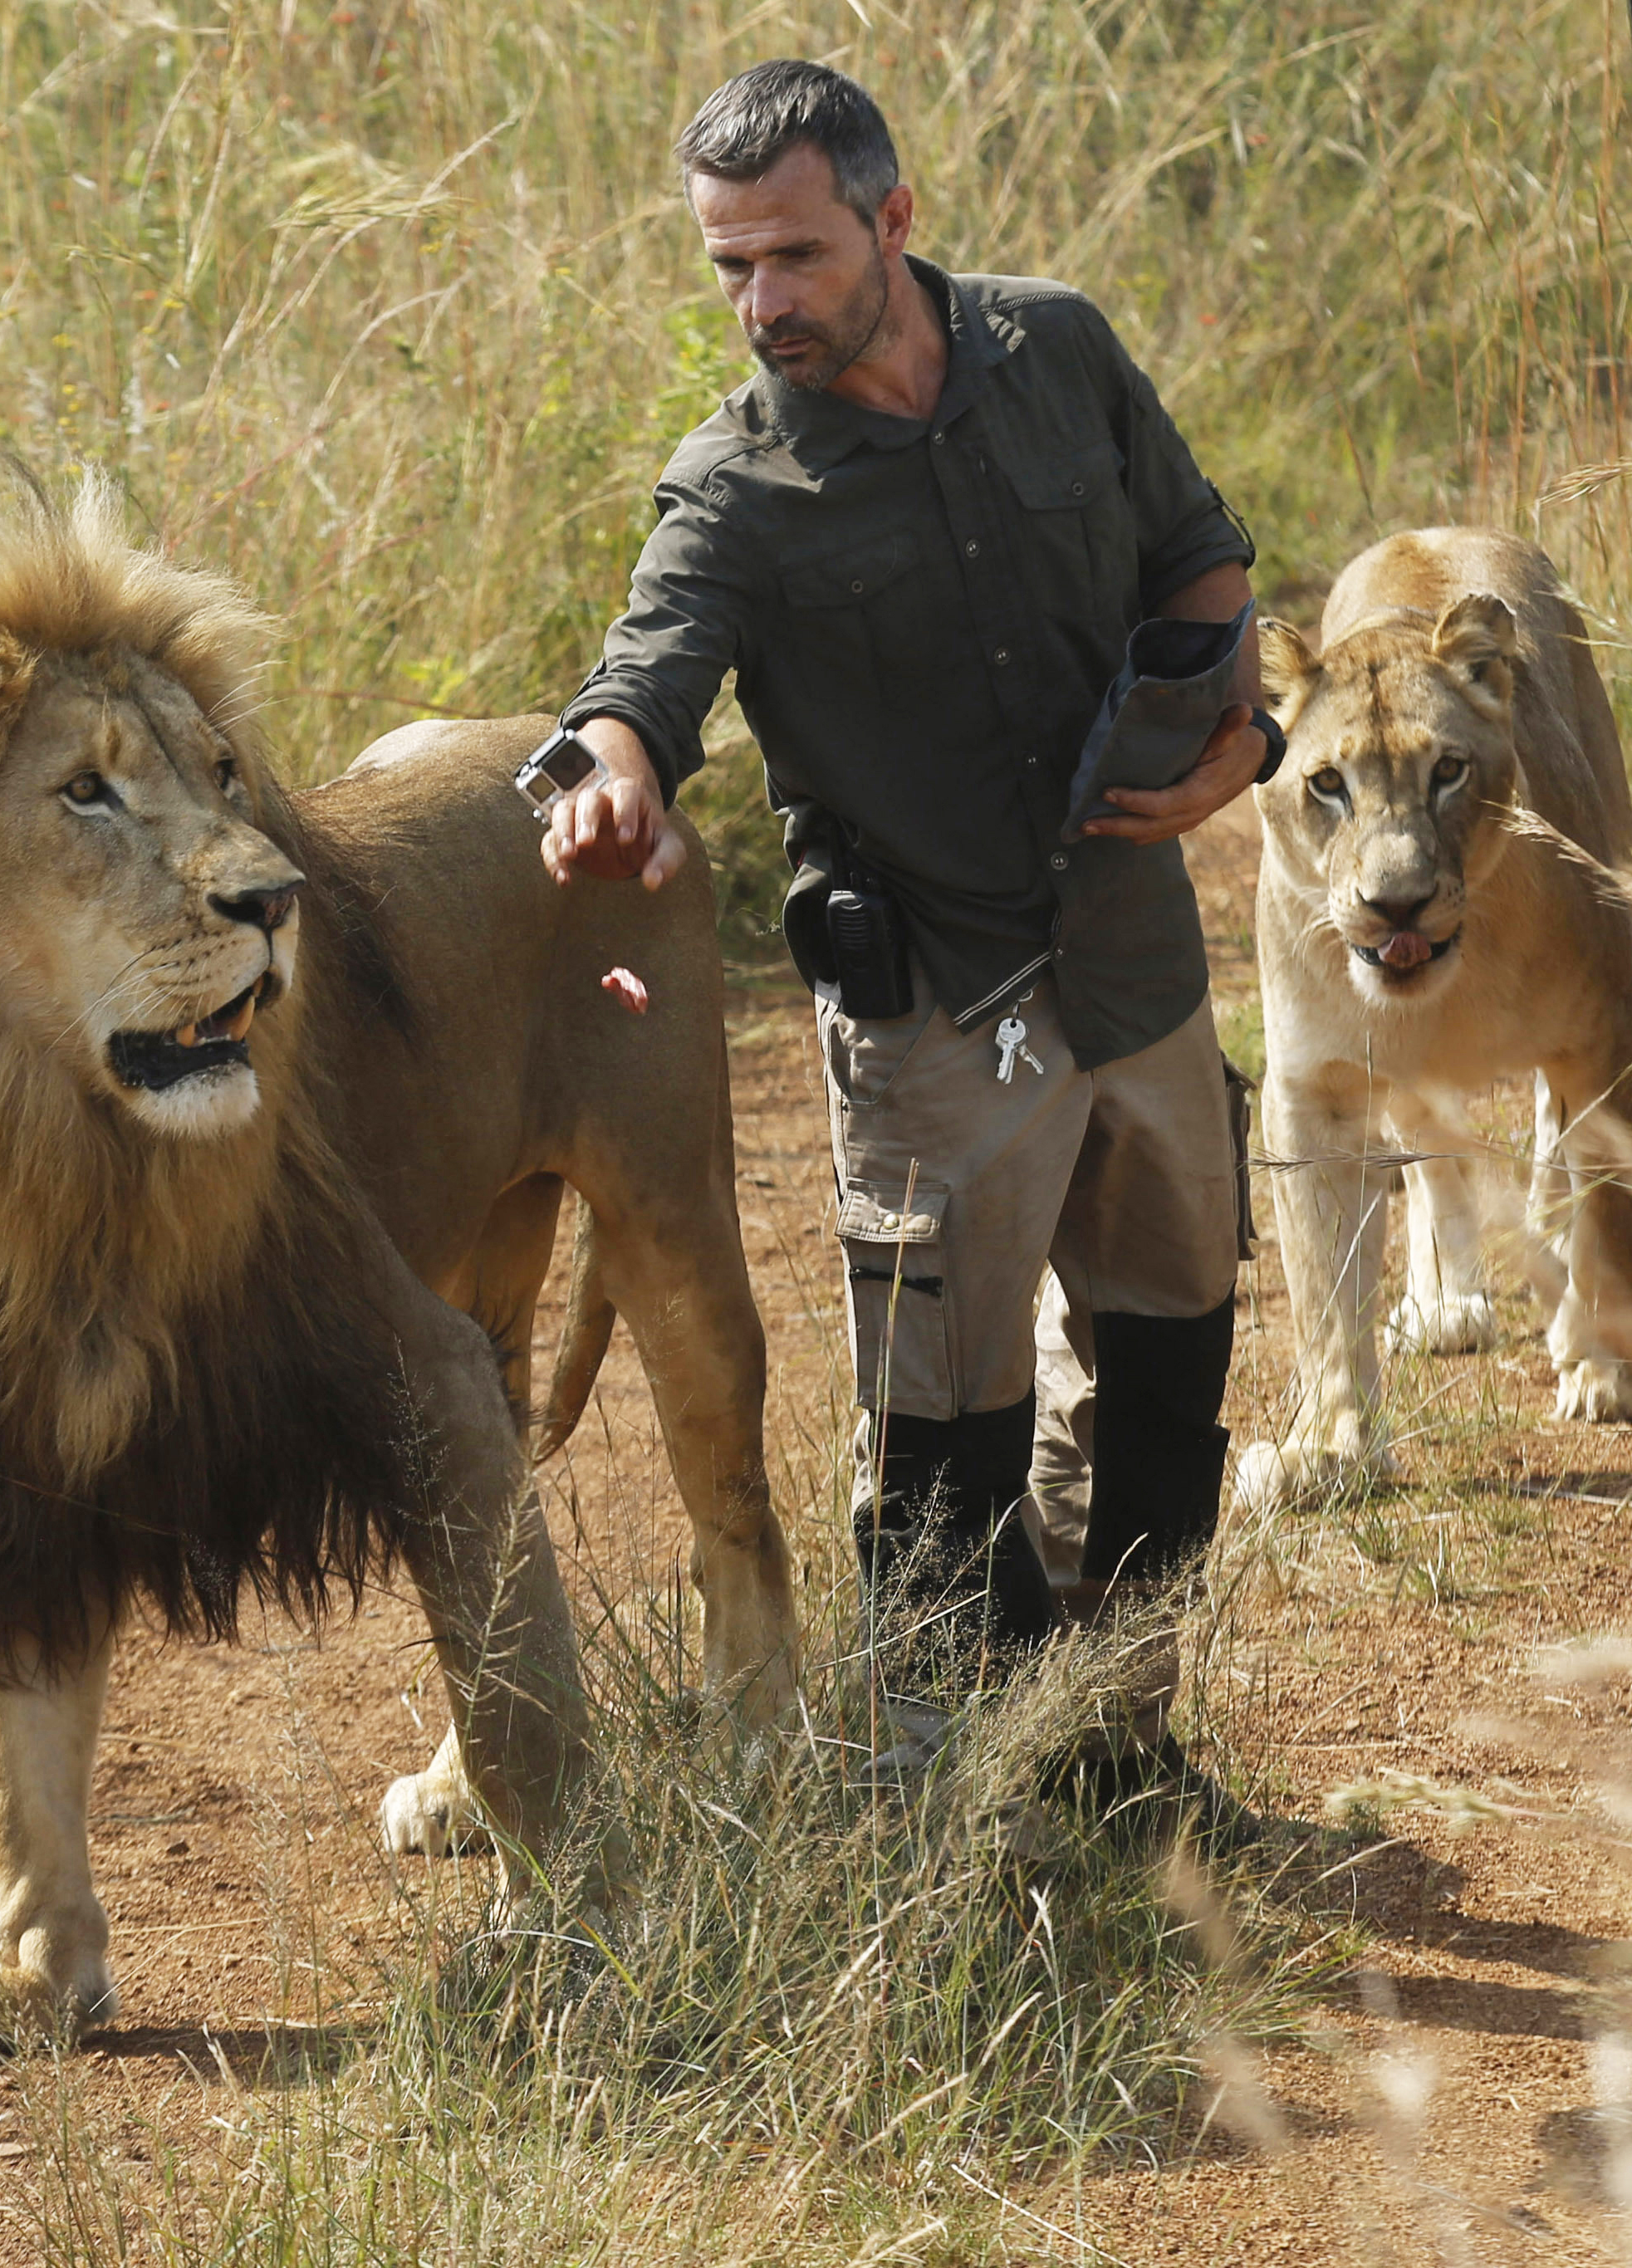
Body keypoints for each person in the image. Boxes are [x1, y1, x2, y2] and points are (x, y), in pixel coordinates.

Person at [539, 60, 1274, 1788]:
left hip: (1137, 961)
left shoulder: (1059, 351)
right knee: (943, 1437)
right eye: (727, 266)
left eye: (791, 255)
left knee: (1167, 1374)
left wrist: (1234, 732)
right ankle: (959, 1803)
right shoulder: (738, 486)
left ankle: (1119, 1748)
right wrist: (615, 770)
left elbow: (1196, 554)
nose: (758, 304)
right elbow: (647, 662)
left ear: (893, 220)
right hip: (940, 1011)